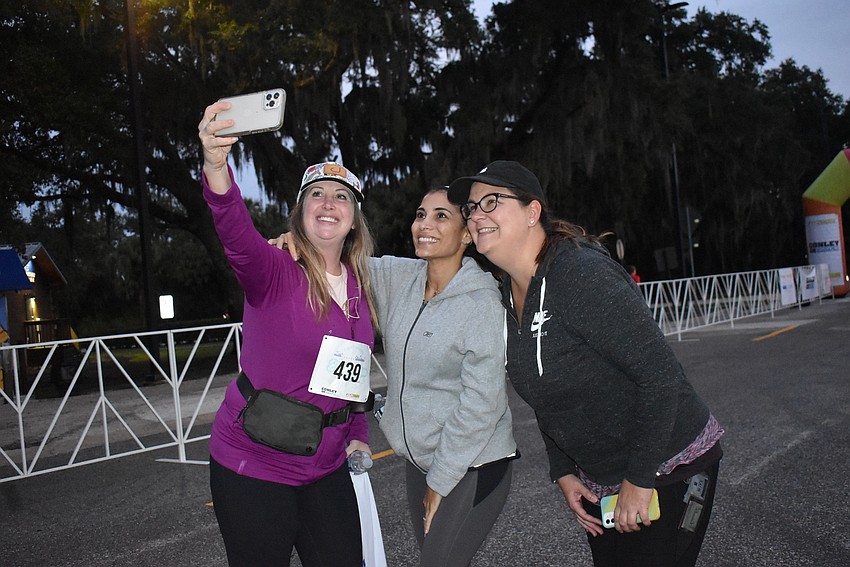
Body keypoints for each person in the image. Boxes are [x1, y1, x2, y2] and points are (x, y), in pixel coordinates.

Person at [447, 161, 723, 567]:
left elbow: (661, 377)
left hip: (667, 465)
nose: (477, 214)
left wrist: (639, 479)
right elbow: (545, 393)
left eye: (492, 201)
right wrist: (563, 470)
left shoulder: (579, 274)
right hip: (601, 479)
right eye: (471, 208)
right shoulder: (505, 297)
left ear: (532, 212)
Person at [274, 187, 517, 566]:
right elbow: (336, 254)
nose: (425, 225)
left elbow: (483, 405)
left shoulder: (481, 302)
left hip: (474, 462)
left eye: (441, 216)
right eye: (420, 215)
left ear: (467, 234)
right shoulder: (400, 277)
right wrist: (297, 241)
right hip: (418, 461)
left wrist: (440, 481)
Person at [199, 100, 377, 566]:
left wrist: (358, 431)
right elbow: (237, 237)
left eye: (341, 197)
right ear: (300, 212)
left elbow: (351, 378)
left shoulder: (361, 287)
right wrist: (217, 167)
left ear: (354, 220)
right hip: (254, 464)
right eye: (316, 194)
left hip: (328, 465)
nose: (328, 204)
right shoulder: (276, 270)